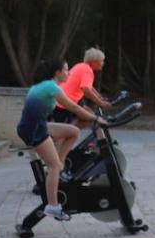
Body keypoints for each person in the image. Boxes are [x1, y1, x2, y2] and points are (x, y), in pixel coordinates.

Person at [18, 59, 102, 222]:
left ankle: (59, 167)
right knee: (53, 165)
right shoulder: (51, 86)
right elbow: (75, 108)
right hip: (34, 129)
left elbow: (77, 105)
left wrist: (93, 116)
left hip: (37, 125)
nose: (69, 73)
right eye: (66, 70)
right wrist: (97, 119)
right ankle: (53, 206)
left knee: (73, 131)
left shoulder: (46, 86)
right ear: (57, 72)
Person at [53, 47, 111, 126]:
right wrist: (100, 103)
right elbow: (86, 89)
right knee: (89, 118)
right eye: (101, 61)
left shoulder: (81, 66)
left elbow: (89, 86)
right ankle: (69, 134)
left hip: (64, 98)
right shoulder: (88, 71)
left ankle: (70, 133)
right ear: (94, 62)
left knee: (90, 115)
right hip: (65, 103)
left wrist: (99, 97)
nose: (103, 63)